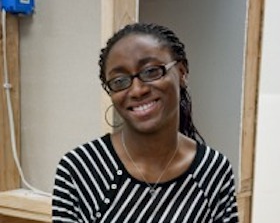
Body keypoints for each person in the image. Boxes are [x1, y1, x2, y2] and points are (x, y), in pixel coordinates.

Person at [52, 23, 239, 223]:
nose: (137, 90)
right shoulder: (79, 169)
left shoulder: (213, 170)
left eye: (151, 71)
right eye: (120, 81)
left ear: (182, 72)